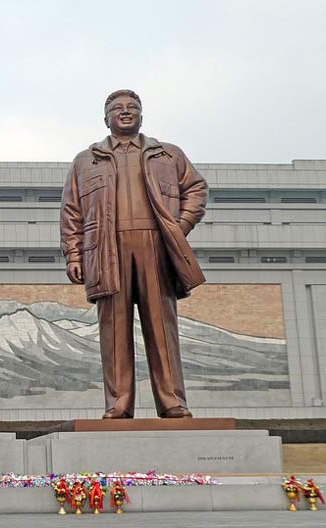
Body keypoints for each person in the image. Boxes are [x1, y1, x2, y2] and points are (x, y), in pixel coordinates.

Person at [60, 89, 208, 419]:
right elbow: (72, 211)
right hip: (107, 250)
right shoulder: (87, 160)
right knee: (113, 331)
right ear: (106, 118)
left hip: (156, 247)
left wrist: (179, 226)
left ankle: (172, 401)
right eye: (117, 108)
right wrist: (73, 255)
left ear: (142, 115)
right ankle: (119, 403)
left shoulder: (168, 155)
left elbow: (196, 189)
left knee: (162, 327)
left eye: (132, 107)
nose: (125, 112)